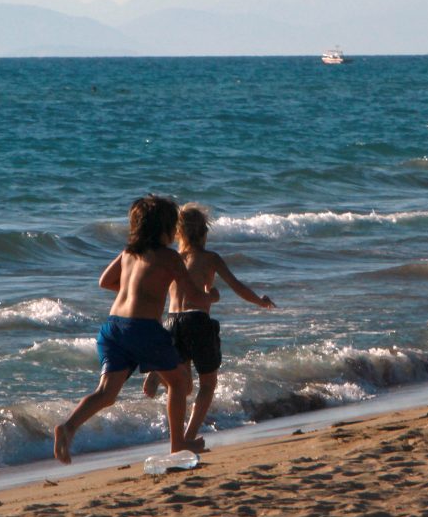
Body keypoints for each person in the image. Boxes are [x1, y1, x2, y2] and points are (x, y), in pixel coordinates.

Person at [53, 196, 219, 464]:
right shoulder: (170, 257)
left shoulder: (128, 253)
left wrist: (136, 291)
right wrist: (211, 297)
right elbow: (193, 297)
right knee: (179, 382)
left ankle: (68, 427)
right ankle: (179, 443)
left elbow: (105, 282)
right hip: (143, 329)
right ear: (166, 229)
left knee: (106, 392)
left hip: (112, 328)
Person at [143, 203, 276, 449]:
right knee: (207, 384)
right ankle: (189, 436)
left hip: (172, 321)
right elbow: (236, 286)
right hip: (197, 322)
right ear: (204, 233)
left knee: (182, 386)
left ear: (179, 234)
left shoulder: (172, 259)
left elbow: (155, 294)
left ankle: (157, 373)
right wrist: (259, 301)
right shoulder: (209, 258)